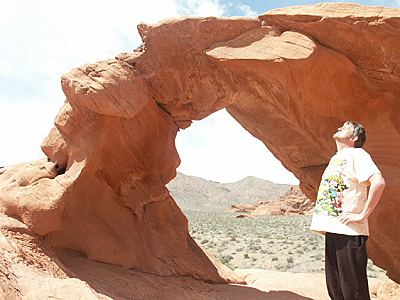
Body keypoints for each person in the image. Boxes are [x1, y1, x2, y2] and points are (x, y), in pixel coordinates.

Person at [310, 120, 385, 300]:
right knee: (336, 291)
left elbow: (379, 182)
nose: (339, 127)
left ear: (353, 137)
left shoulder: (357, 154)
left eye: (346, 127)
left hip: (349, 232)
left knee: (353, 292)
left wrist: (362, 214)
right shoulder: (336, 158)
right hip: (334, 230)